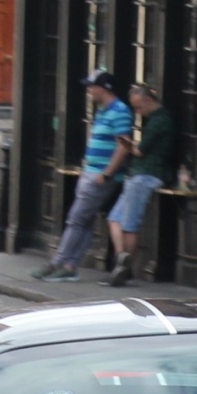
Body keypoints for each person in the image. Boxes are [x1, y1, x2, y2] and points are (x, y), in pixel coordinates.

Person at [31, 70, 132, 283]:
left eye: (91, 86)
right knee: (83, 221)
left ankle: (56, 262)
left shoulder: (120, 111)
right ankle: (70, 265)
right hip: (91, 171)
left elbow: (123, 146)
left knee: (76, 220)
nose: (88, 90)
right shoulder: (103, 110)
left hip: (99, 174)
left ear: (103, 89)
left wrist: (107, 174)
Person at [105, 83, 176, 289]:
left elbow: (141, 151)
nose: (137, 112)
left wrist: (128, 145)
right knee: (114, 218)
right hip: (137, 175)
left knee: (129, 223)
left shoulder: (160, 121)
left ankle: (125, 269)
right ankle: (122, 259)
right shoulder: (154, 120)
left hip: (146, 175)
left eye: (138, 107)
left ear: (149, 101)